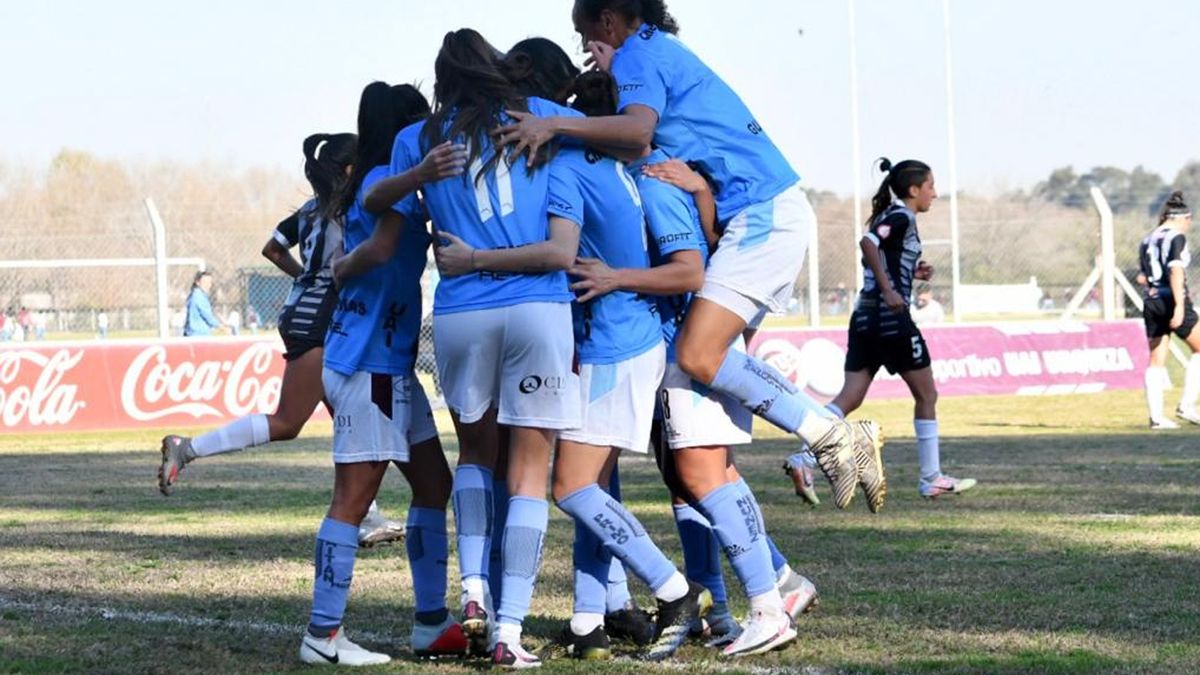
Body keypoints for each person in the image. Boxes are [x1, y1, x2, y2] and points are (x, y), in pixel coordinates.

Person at [495, 0, 884, 511]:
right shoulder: (652, 52)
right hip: (761, 213)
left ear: (608, 21)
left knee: (698, 357)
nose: (583, 47)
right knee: (701, 398)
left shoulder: (637, 56)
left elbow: (636, 132)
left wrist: (554, 126)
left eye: (583, 31)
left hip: (761, 214)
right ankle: (778, 566)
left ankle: (826, 432)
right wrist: (701, 191)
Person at [453, 45, 711, 662]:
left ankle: (676, 591)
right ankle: (591, 619)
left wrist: (475, 258)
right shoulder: (615, 164)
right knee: (595, 484)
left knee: (569, 488)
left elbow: (560, 252)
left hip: (613, 344)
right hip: (621, 340)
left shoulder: (568, 165)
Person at [559, 69, 810, 657]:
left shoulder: (655, 178)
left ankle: (772, 596)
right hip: (674, 347)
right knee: (687, 480)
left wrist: (622, 271)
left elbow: (693, 268)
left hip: (688, 342)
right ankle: (723, 606)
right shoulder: (641, 176)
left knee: (702, 476)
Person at [384, 29, 585, 669]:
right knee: (529, 473)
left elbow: (370, 195)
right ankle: (509, 632)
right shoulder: (540, 117)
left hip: (462, 310)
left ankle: (472, 593)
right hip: (537, 308)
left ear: (439, 79)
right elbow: (625, 130)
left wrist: (418, 175)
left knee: (474, 453)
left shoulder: (417, 138)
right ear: (498, 68)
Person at [156, 132, 410, 546]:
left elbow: (273, 249)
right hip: (322, 319)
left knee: (349, 418)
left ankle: (367, 513)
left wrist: (305, 278)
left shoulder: (308, 212)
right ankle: (186, 449)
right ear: (349, 170)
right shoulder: (351, 210)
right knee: (289, 421)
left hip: (303, 309)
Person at [296, 81, 471, 666]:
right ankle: (322, 636)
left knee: (434, 486)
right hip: (366, 366)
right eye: (420, 123)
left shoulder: (380, 180)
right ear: (402, 131)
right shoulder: (380, 180)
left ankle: (429, 622)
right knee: (353, 499)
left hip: (389, 365)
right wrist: (347, 265)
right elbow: (379, 241)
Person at [786, 159, 975, 501]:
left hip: (864, 318)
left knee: (850, 398)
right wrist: (890, 289)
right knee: (927, 396)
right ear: (914, 189)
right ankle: (931, 478)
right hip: (890, 320)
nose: (935, 192)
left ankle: (804, 458)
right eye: (931, 186)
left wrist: (912, 272)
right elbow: (868, 244)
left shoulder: (900, 220)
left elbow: (877, 256)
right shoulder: (900, 216)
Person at [1137, 190, 1200, 429]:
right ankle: (1187, 406)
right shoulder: (1176, 238)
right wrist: (1180, 307)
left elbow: (1143, 276)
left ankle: (1156, 418)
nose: (1188, 226)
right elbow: (1176, 271)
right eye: (1188, 221)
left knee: (1155, 361)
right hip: (1171, 299)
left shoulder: (1147, 239)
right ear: (1182, 218)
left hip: (1151, 300)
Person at [182, 271, 223, 337]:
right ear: (198, 282)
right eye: (205, 282)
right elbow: (207, 316)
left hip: (196, 333)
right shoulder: (198, 296)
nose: (208, 285)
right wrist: (221, 327)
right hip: (198, 334)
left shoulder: (199, 295)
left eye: (209, 282)